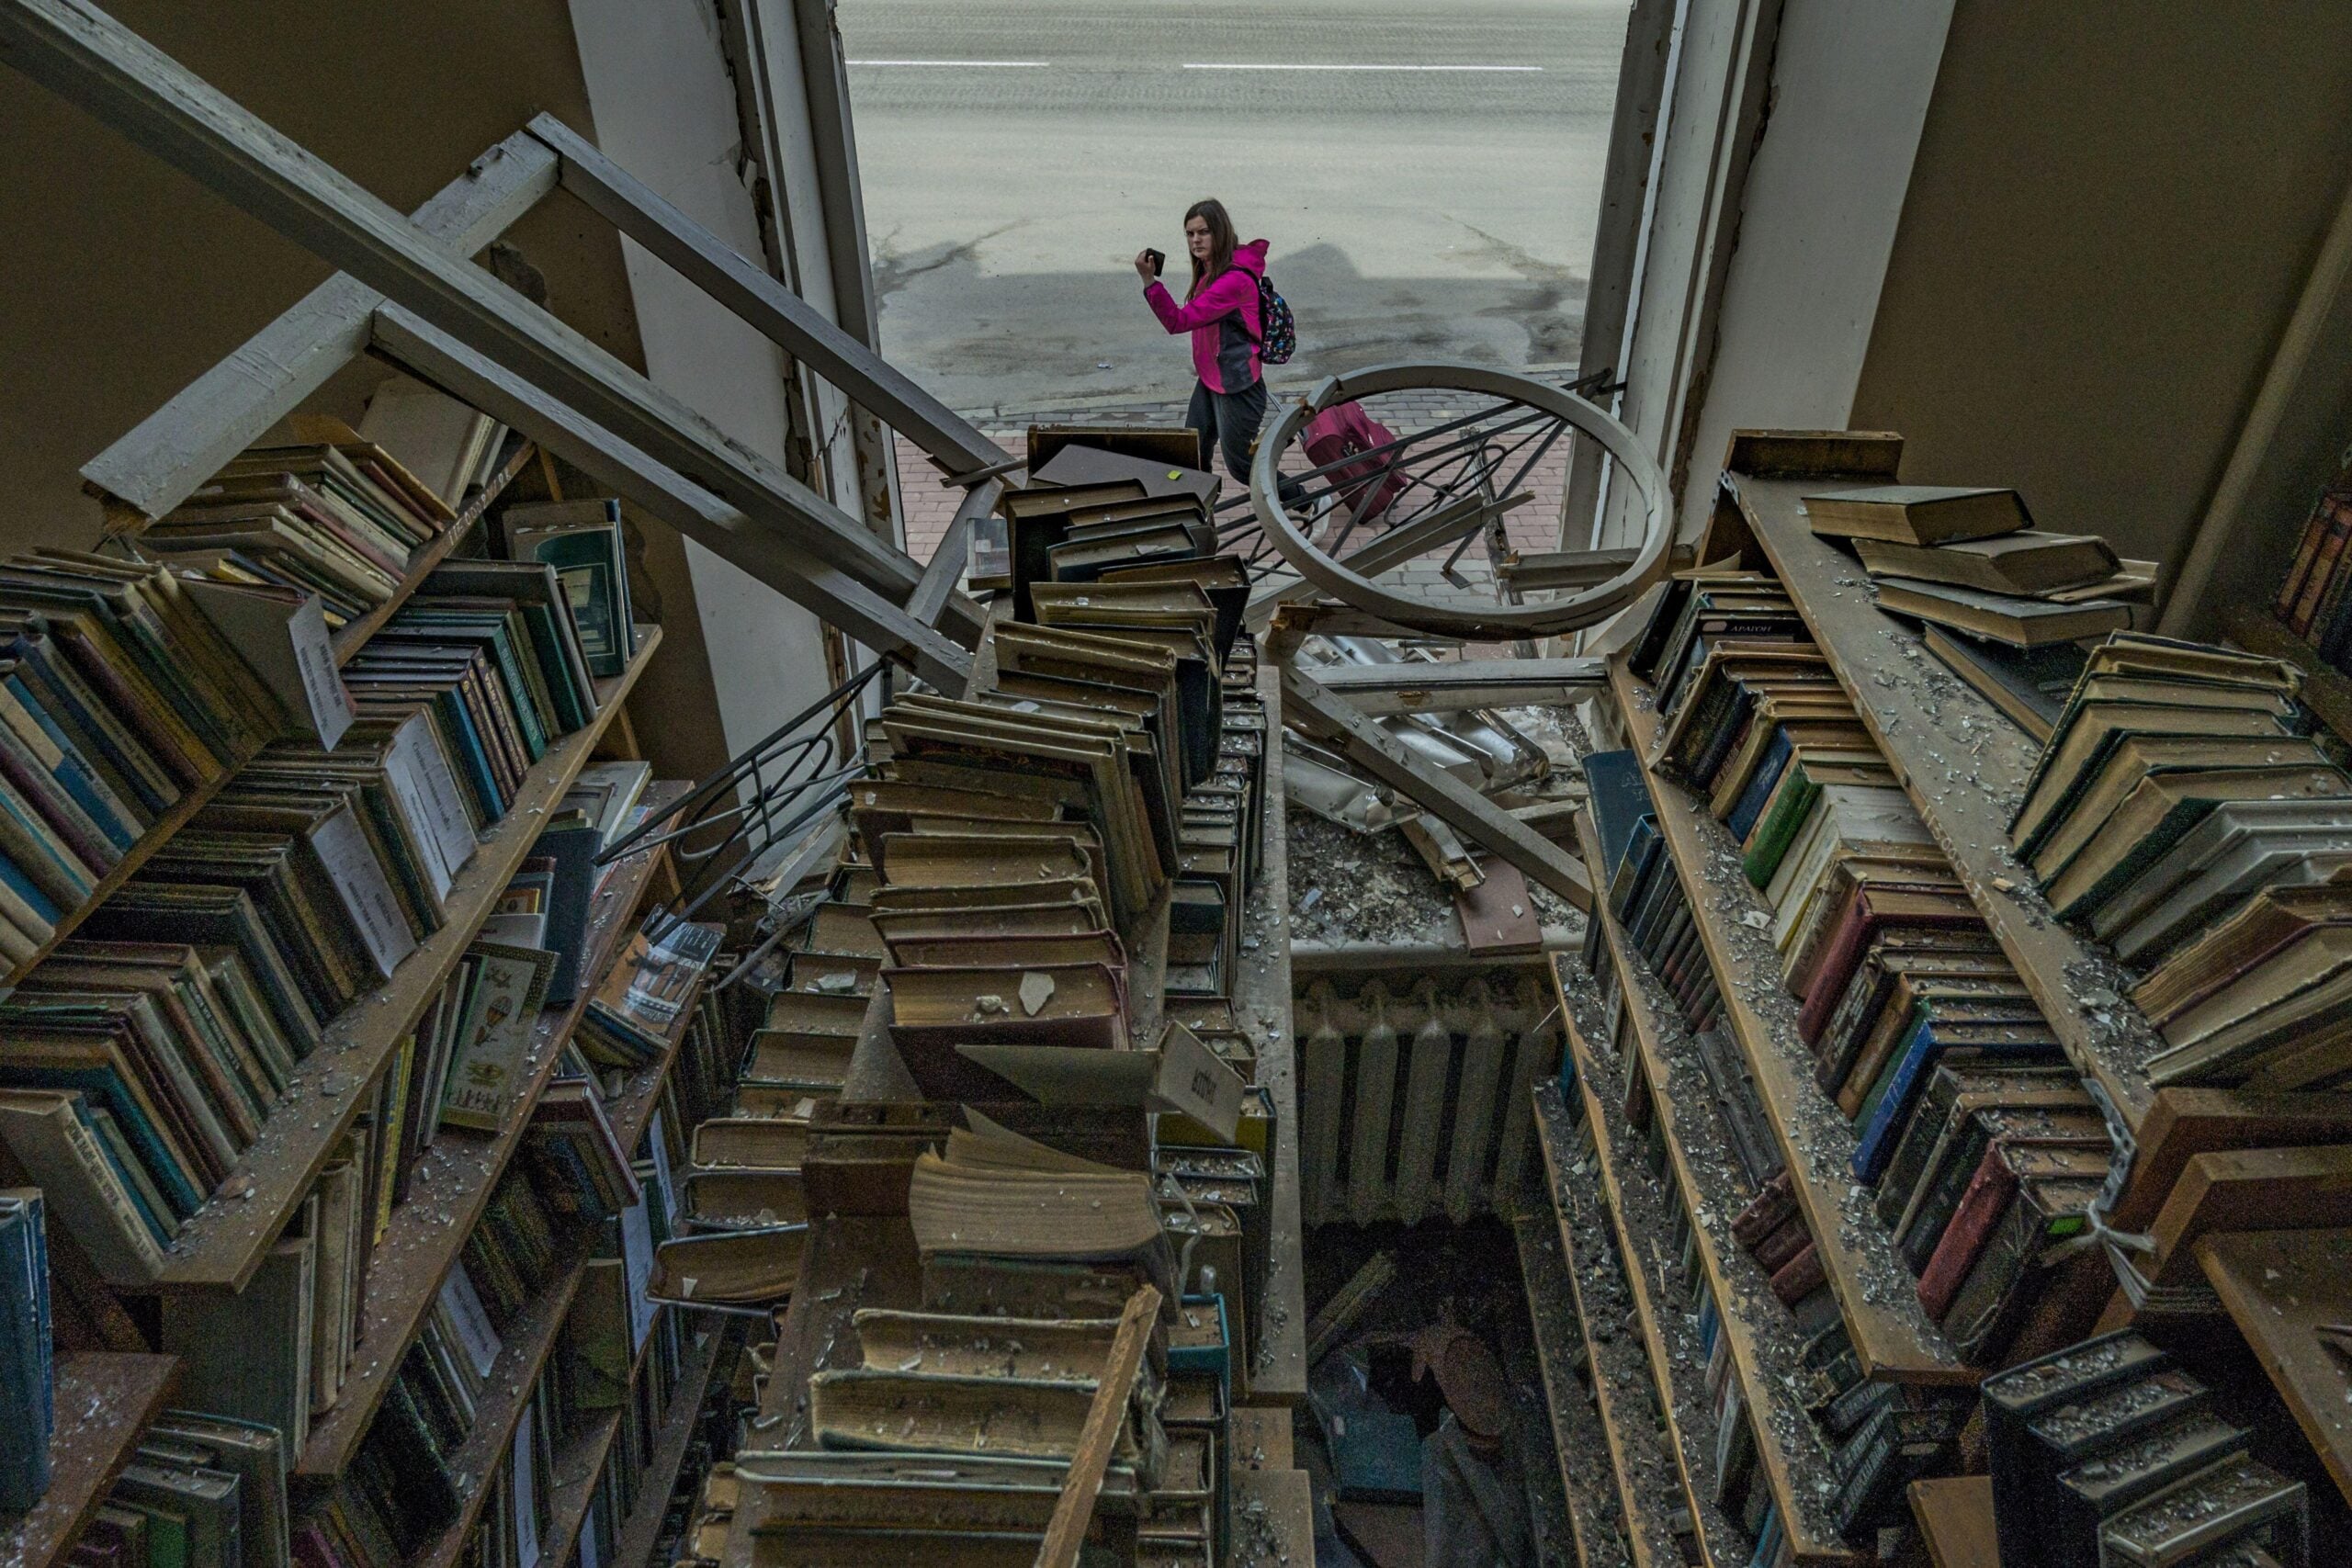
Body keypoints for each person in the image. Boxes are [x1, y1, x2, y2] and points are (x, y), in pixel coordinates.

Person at [1135, 198, 1277, 489]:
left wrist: (1150, 282)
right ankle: (1200, 518)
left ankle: (1307, 499)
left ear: (1220, 232)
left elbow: (1177, 321)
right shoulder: (1214, 267)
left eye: (1204, 232)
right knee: (1194, 455)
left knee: (1241, 467)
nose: (1195, 240)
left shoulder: (1231, 281)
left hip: (1237, 386)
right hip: (1212, 377)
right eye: (1190, 233)